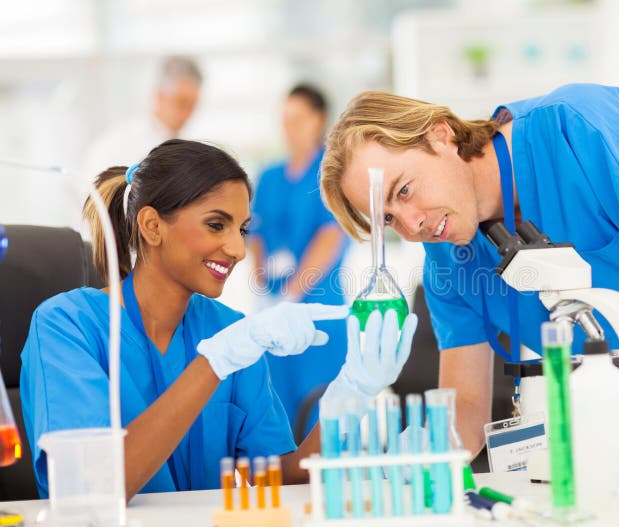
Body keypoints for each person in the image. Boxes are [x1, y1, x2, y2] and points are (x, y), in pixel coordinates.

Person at [319, 84, 619, 458]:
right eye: (387, 220)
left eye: (403, 191)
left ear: (441, 134)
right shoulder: (449, 256)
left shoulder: (580, 126)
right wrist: (388, 453)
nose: (413, 224)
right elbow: (464, 417)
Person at [20, 139, 417, 498]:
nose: (237, 249)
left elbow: (279, 479)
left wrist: (350, 396)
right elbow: (92, 489)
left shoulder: (230, 330)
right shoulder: (64, 327)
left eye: (242, 229)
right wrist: (213, 363)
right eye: (216, 224)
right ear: (152, 225)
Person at [249, 84, 348, 439]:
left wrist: (292, 294)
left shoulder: (332, 172)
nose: (288, 128)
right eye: (284, 119)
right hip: (273, 315)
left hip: (318, 312)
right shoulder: (269, 176)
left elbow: (329, 237)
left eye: (297, 119)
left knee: (320, 414)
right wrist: (263, 288)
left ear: (319, 120)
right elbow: (255, 233)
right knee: (278, 412)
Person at [80, 56, 203, 202]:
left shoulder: (187, 149)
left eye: (193, 105)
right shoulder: (117, 144)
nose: (188, 113)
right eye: (181, 103)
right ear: (159, 96)